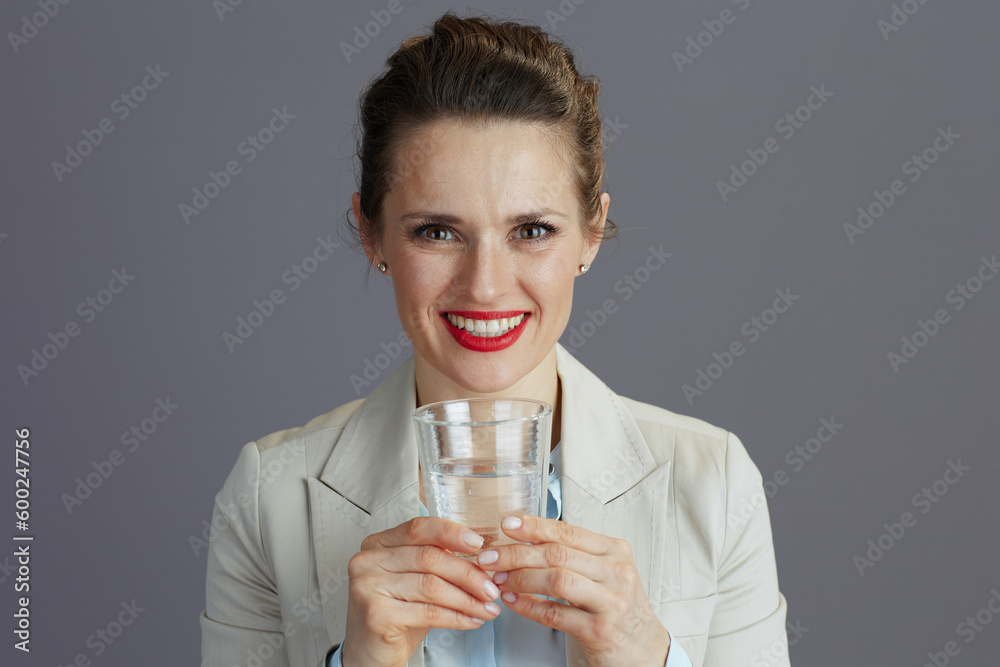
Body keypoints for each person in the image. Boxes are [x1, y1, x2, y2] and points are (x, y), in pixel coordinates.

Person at [199, 10, 790, 667]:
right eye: (437, 231)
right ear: (372, 235)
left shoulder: (713, 483)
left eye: (532, 230)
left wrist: (648, 656)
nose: (484, 286)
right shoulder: (269, 496)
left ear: (591, 233)